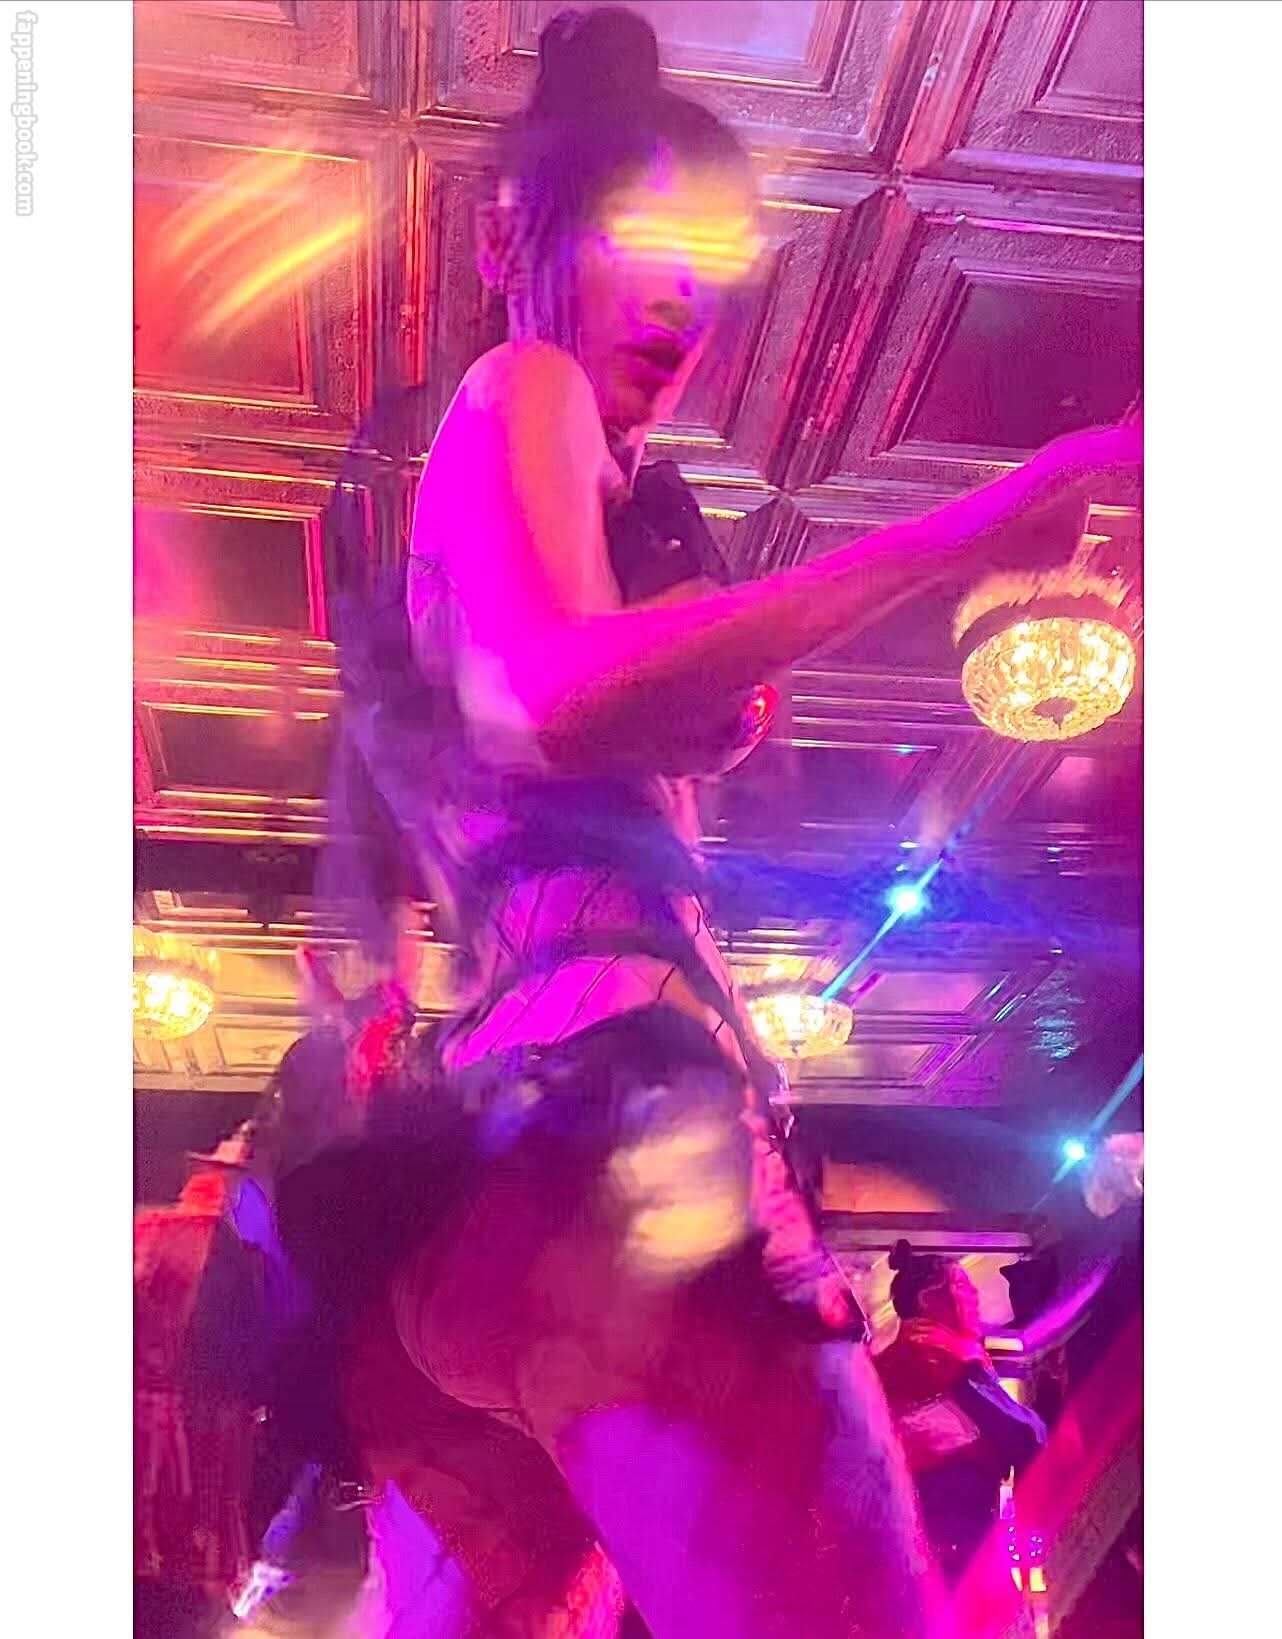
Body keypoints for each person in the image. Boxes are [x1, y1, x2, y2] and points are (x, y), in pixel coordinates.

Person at [321, 7, 1139, 1634]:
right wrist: (965, 525)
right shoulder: (525, 380)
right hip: (620, 1142)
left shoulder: (479, 490)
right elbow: (549, 693)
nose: (683, 294)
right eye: (640, 236)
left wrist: (688, 699)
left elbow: (522, 720)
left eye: (708, 257)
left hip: (481, 1182)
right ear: (513, 239)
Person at [874, 1242, 1047, 1584]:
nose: (975, 1297)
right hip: (964, 1551)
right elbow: (1027, 1436)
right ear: (928, 1299)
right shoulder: (949, 1363)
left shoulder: (880, 1368)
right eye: (962, 1287)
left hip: (902, 1553)